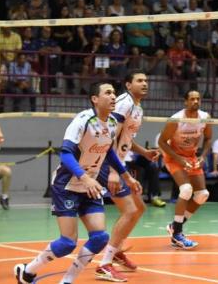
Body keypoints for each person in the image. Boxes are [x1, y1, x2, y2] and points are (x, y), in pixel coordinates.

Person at [13, 82, 141, 284]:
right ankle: (26, 271)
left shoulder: (112, 124)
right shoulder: (83, 120)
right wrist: (85, 177)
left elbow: (108, 152)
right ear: (95, 99)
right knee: (67, 243)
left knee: (99, 238)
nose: (113, 96)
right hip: (67, 185)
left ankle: (67, 281)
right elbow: (65, 154)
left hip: (90, 186)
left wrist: (126, 176)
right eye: (107, 93)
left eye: (114, 93)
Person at [95, 71, 160, 281]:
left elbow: (126, 138)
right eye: (139, 80)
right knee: (131, 210)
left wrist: (144, 153)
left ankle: (117, 250)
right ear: (128, 85)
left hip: (119, 163)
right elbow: (111, 135)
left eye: (146, 80)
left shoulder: (137, 107)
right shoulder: (123, 103)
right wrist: (114, 171)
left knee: (139, 208)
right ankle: (105, 262)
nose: (144, 84)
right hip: (107, 162)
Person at [159, 90, 212, 249]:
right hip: (174, 157)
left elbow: (208, 138)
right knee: (186, 189)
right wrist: (179, 159)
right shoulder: (176, 119)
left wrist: (203, 156)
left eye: (198, 99)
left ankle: (175, 226)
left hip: (192, 157)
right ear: (185, 102)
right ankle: (177, 234)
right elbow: (162, 142)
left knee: (202, 195)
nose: (195, 101)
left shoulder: (205, 118)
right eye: (192, 99)